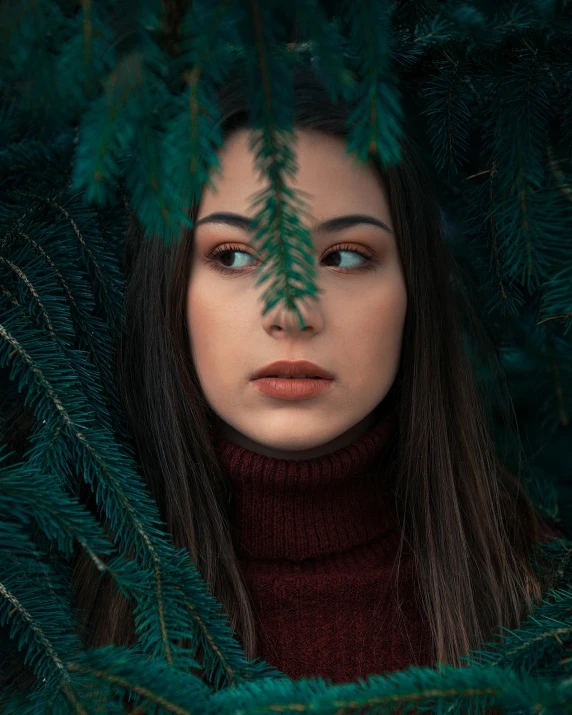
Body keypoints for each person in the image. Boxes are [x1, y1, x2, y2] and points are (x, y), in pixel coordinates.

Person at [71, 60, 559, 686]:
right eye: (235, 255)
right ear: (165, 289)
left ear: (412, 290)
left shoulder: (540, 595)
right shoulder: (52, 599)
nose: (291, 311)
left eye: (345, 256)